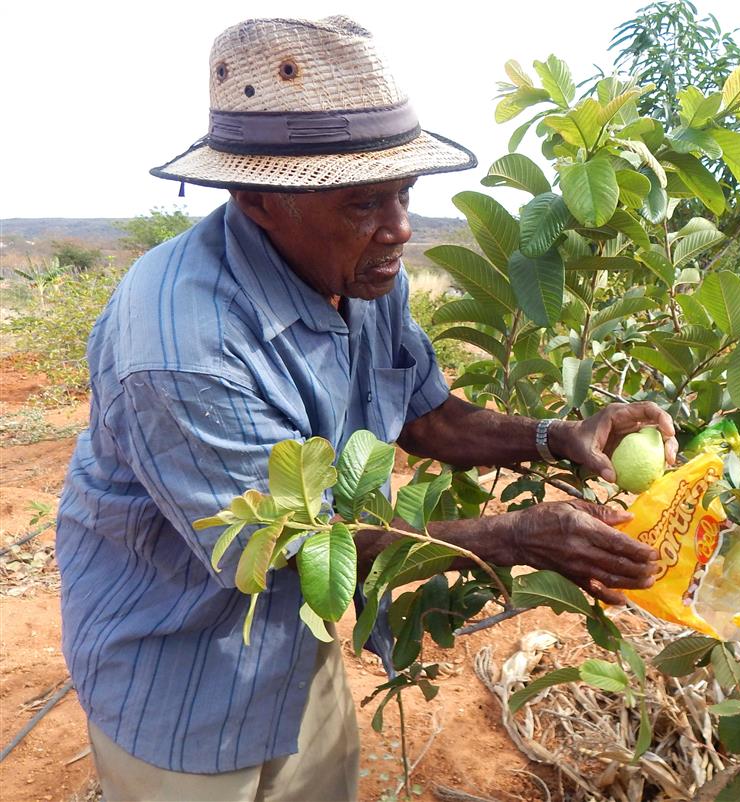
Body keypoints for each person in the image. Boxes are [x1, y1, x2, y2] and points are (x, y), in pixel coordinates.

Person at [55, 15, 676, 802]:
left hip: (293, 650)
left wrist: (557, 437)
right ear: (257, 199)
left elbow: (430, 419)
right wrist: (517, 535)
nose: (400, 229)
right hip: (176, 665)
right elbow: (293, 543)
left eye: (403, 193)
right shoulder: (182, 348)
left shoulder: (363, 276)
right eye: (361, 203)